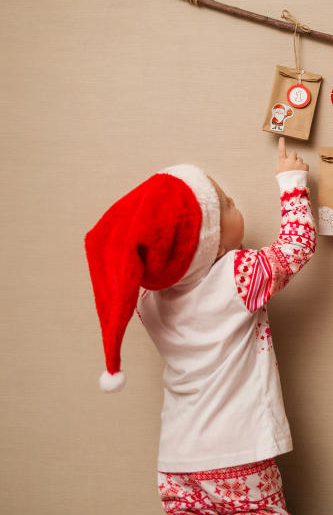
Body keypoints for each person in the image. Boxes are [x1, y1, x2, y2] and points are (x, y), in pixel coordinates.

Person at [84, 138, 315, 514]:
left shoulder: (148, 304)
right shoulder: (238, 277)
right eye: (226, 206)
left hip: (177, 462)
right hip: (240, 454)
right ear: (214, 246)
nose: (234, 203)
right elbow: (297, 245)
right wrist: (292, 183)